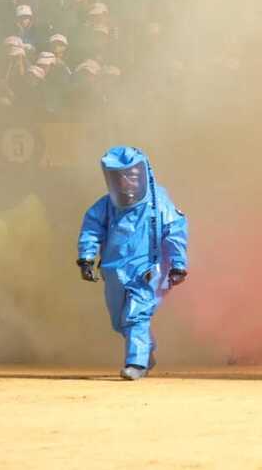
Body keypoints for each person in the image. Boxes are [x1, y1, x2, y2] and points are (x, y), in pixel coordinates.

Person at [77, 146, 189, 380]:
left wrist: (178, 264)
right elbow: (91, 229)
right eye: (119, 178)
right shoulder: (106, 205)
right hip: (114, 270)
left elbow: (175, 231)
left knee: (136, 315)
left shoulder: (159, 203)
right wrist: (87, 258)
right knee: (120, 320)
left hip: (147, 268)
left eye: (132, 177)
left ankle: (136, 363)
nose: (126, 183)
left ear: (143, 175)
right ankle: (145, 352)